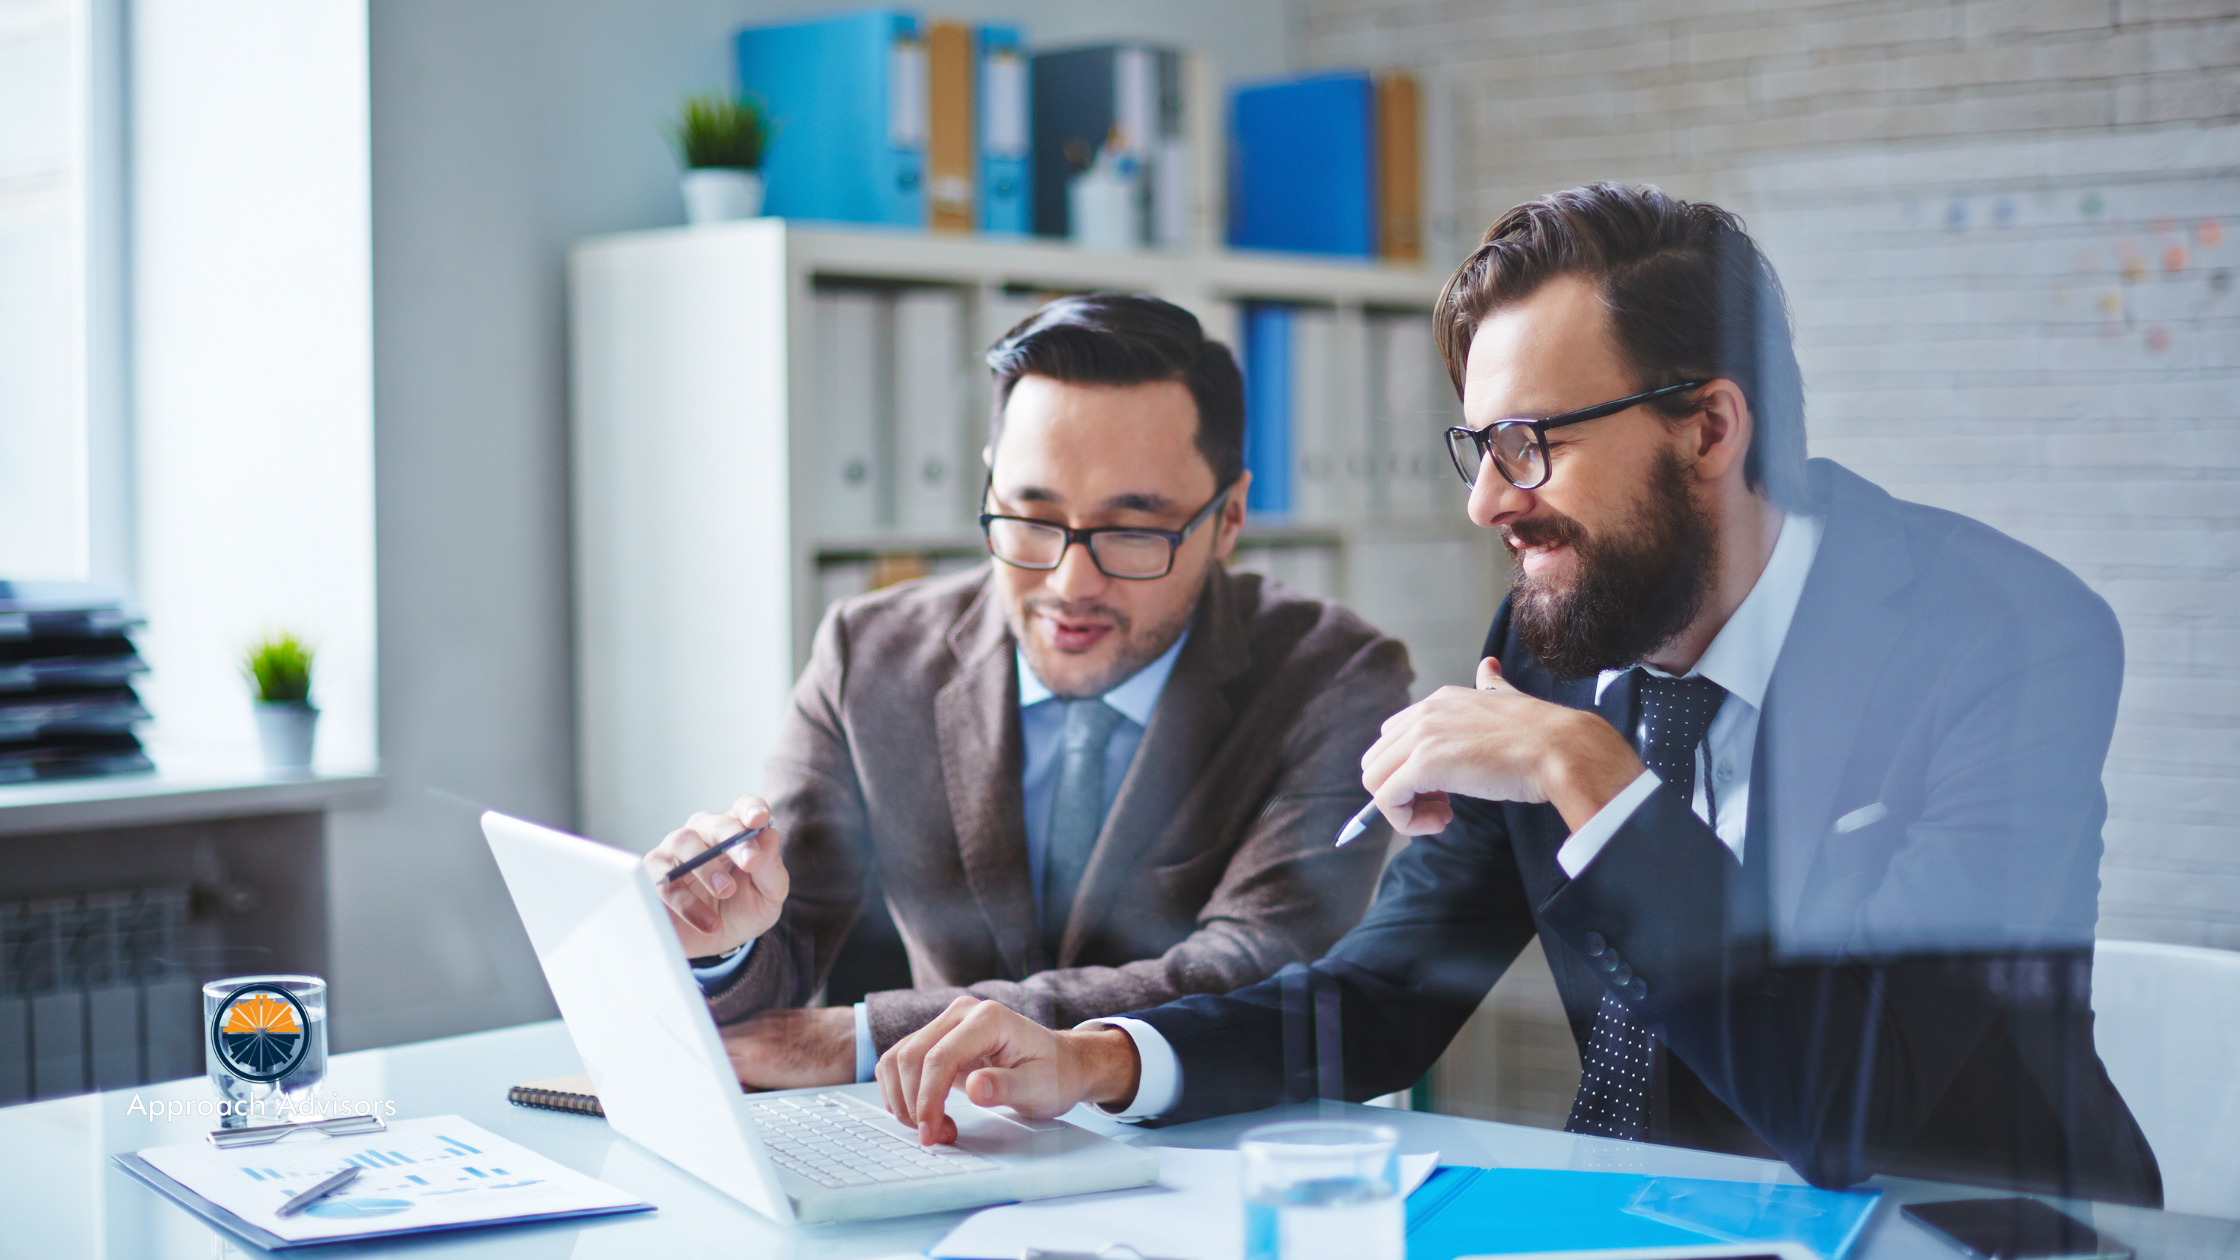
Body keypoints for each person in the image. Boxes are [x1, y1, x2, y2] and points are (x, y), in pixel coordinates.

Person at [871, 185, 2164, 1208]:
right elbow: (1381, 1000)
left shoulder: (2006, 642)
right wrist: (1098, 1062)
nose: (1489, 501)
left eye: (1531, 445)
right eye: (1477, 449)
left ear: (1708, 431)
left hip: (1956, 1228)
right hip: (1642, 1223)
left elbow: (1858, 1100)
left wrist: (1595, 781)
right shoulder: (1553, 643)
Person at [645, 293, 1412, 1090]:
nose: (1070, 583)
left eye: (1133, 531)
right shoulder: (867, 657)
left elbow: (1252, 971)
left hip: (1210, 1150)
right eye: (1032, 518)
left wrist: (870, 1035)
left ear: (1229, 519)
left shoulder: (1335, 678)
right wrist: (719, 937)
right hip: (941, 1145)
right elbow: (786, 944)